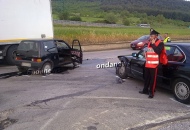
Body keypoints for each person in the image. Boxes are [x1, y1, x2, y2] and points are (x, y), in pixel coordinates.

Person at [139, 29, 165, 98]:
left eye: (151, 36)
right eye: (150, 36)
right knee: (146, 78)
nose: (150, 37)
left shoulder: (160, 43)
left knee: (153, 80)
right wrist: (145, 53)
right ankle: (145, 90)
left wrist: (153, 44)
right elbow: (149, 51)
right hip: (147, 63)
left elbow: (158, 51)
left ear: (156, 36)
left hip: (154, 65)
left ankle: (151, 92)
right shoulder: (149, 42)